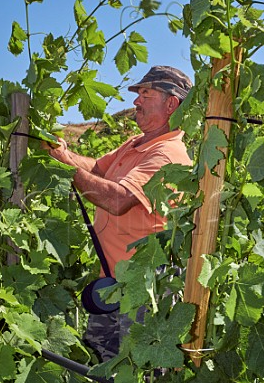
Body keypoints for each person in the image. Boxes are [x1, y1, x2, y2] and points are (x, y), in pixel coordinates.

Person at [46, 65, 193, 362]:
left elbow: (118, 201)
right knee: (102, 362)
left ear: (171, 104)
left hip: (144, 288)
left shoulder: (168, 155)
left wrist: (66, 165)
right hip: (114, 282)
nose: (136, 101)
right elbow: (98, 169)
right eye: (138, 94)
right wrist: (63, 153)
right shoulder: (136, 144)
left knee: (139, 371)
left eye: (145, 94)